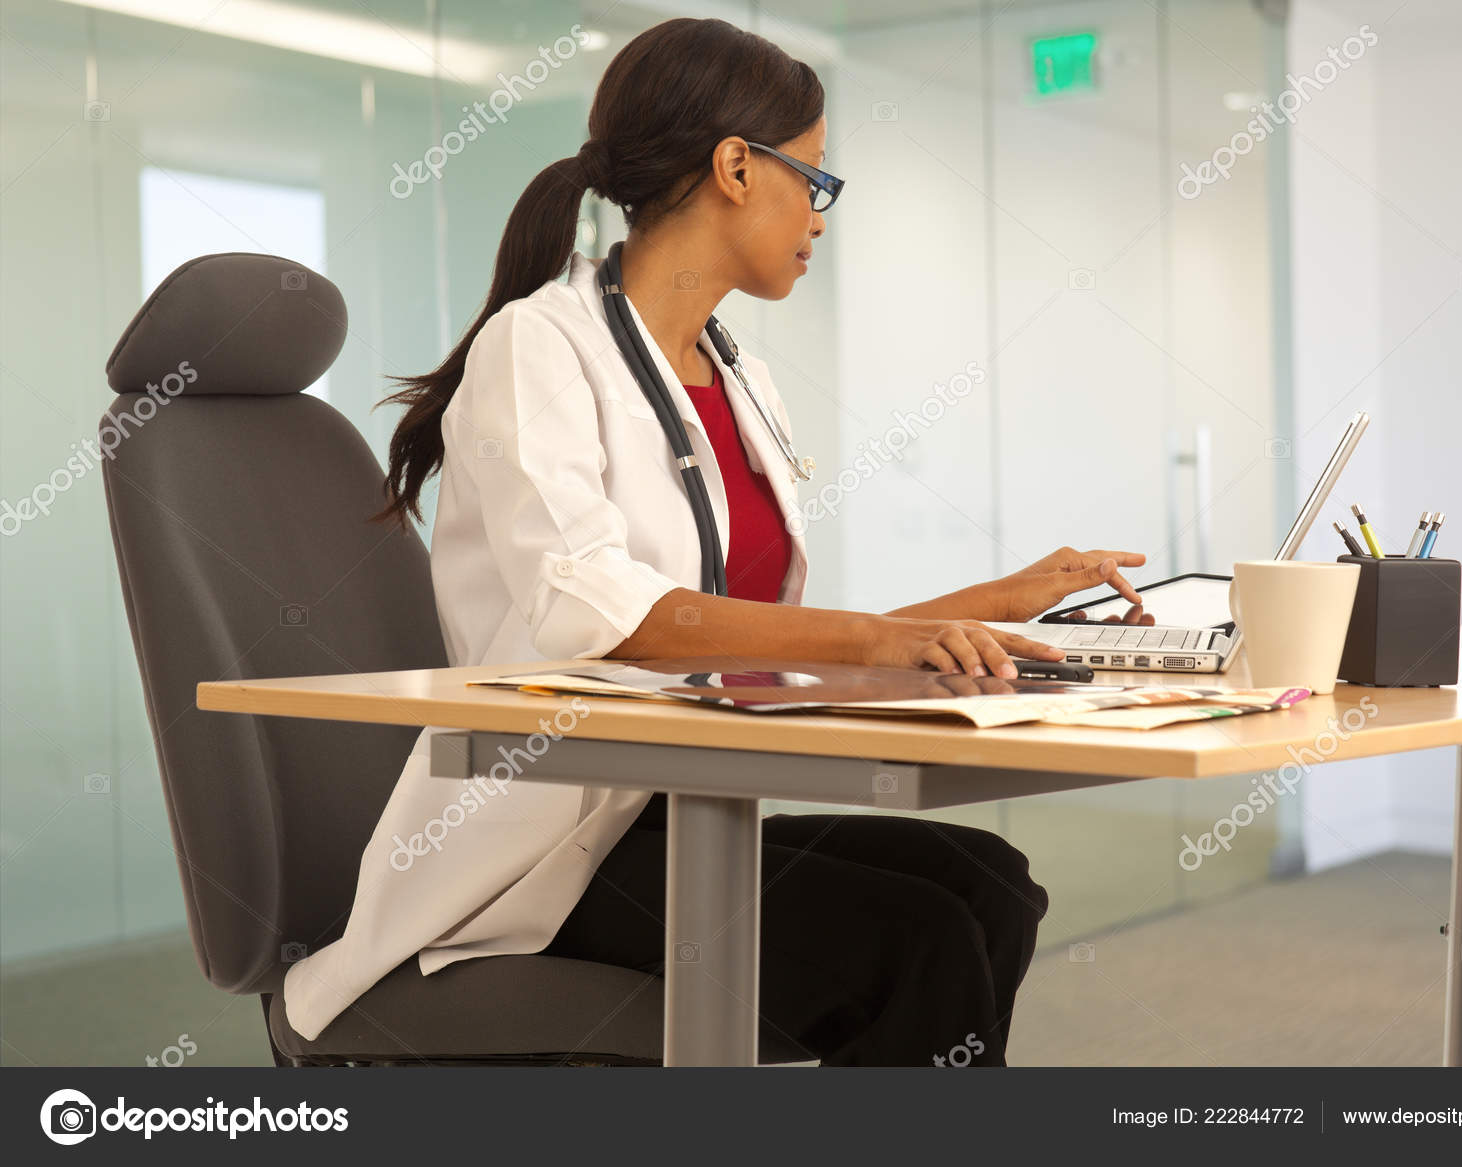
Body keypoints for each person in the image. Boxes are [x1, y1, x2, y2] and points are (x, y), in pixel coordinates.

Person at [284, 16, 1147, 1066]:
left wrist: (980, 606)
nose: (820, 218)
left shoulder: (737, 375)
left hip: (669, 809)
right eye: (815, 181)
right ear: (737, 166)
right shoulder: (539, 346)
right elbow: (603, 616)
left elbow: (752, 646)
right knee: (920, 941)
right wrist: (886, 641)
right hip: (540, 851)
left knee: (990, 888)